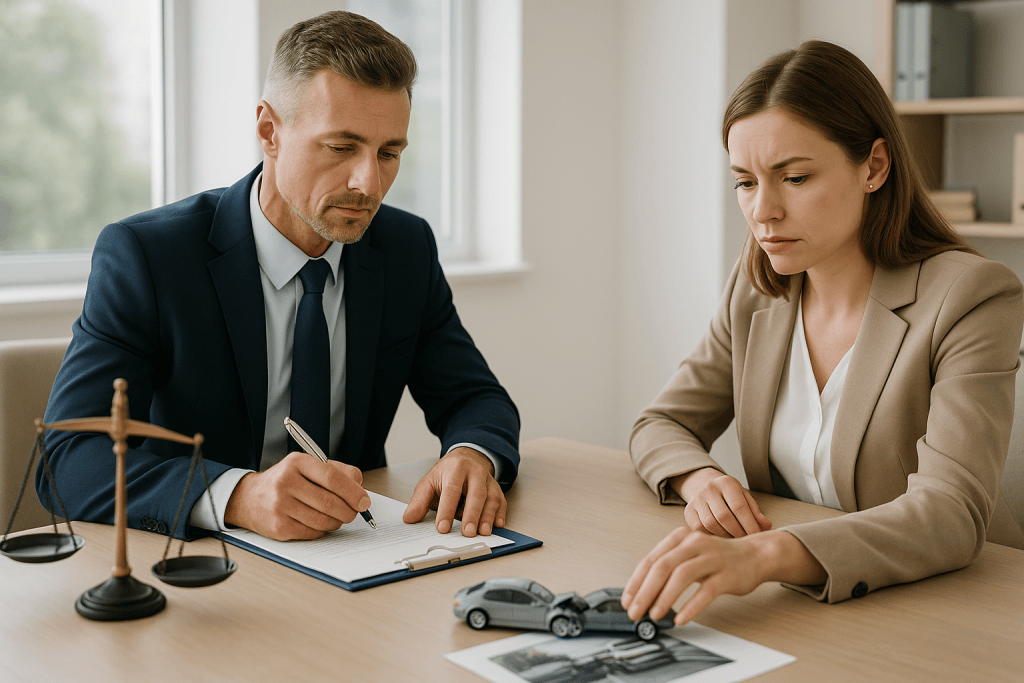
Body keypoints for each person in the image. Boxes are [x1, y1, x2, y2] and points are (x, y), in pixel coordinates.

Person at [39, 11, 519, 543]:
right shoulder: (149, 257)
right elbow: (66, 459)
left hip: (355, 555)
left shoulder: (404, 248)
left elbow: (475, 397)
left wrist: (473, 454)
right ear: (269, 131)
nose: (368, 183)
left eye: (389, 153)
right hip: (200, 563)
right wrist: (237, 496)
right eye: (341, 148)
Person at [621, 41, 1024, 627]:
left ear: (874, 167)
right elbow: (661, 424)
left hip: (949, 607)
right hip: (809, 608)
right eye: (745, 182)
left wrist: (762, 556)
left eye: (795, 177)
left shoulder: (970, 296)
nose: (763, 211)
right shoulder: (758, 289)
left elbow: (950, 512)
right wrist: (699, 477)